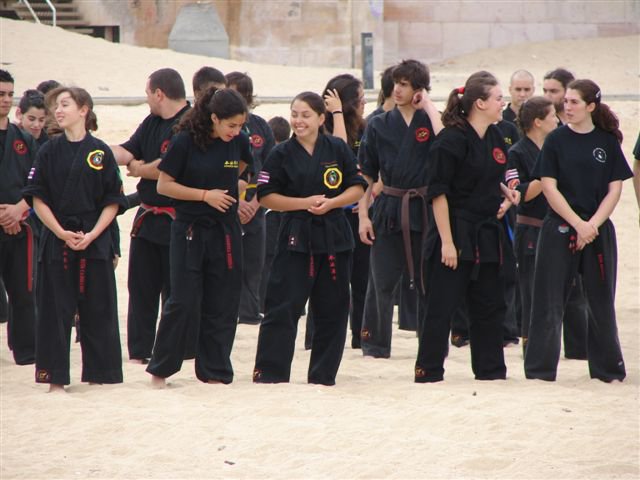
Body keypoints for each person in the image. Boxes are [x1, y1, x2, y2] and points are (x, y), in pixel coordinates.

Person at [252, 91, 367, 385]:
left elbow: (358, 187)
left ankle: (323, 374)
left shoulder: (337, 149)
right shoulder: (281, 153)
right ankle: (271, 373)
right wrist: (303, 203)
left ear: (320, 118)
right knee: (282, 306)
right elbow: (265, 196)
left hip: (334, 236)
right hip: (295, 236)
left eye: (305, 115)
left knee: (334, 308)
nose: (298, 121)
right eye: (294, 114)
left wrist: (332, 202)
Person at [415, 71, 520, 383]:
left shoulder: (497, 135)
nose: (504, 103)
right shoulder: (450, 140)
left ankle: (491, 371)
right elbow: (438, 193)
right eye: (499, 98)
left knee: (489, 304)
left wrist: (507, 194)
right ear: (480, 103)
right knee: (441, 306)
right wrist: (447, 242)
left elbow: (492, 175)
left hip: (489, 233)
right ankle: (429, 371)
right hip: (454, 230)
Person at [524, 80, 632, 382]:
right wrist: (577, 223)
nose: (567, 107)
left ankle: (607, 369)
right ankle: (540, 370)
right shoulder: (556, 140)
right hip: (560, 227)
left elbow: (614, 189)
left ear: (590, 106)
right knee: (548, 300)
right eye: (566, 102)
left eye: (573, 102)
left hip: (597, 230)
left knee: (600, 300)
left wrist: (592, 225)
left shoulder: (607, 142)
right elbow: (548, 186)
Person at [146, 87, 253, 388]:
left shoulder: (240, 142)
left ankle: (215, 371)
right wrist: (205, 195)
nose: (236, 131)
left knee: (223, 301)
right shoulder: (185, 141)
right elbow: (164, 186)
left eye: (240, 125)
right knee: (182, 300)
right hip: (190, 229)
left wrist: (238, 190)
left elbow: (245, 171)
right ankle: (161, 370)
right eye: (230, 125)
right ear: (214, 118)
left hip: (227, 230)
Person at [23, 86, 125, 391]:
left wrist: (94, 234)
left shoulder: (100, 151)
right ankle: (54, 378)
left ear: (84, 110)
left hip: (94, 240)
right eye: (57, 106)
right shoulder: (48, 151)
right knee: (55, 311)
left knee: (99, 309)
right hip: (57, 240)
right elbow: (36, 197)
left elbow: (113, 200)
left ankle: (101, 374)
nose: (58, 110)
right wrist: (60, 232)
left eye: (65, 104)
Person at [358, 59, 443, 358]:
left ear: (419, 89)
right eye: (396, 83)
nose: (397, 89)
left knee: (427, 280)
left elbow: (446, 143)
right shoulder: (379, 124)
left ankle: (432, 343)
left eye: (405, 84)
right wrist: (363, 216)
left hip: (424, 208)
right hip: (389, 206)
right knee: (381, 280)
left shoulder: (431, 121)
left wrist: (429, 106)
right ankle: (375, 344)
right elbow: (366, 175)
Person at [110, 68, 191, 363]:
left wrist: (141, 170)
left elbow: (169, 164)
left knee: (175, 291)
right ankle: (140, 352)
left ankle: (172, 351)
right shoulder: (152, 122)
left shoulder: (190, 123)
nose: (147, 99)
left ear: (159, 93)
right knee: (141, 288)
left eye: (147, 93)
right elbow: (128, 150)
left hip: (178, 219)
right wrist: (92, 151)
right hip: (148, 218)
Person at [225, 72, 275, 325]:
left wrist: (256, 203)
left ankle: (250, 313)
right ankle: (228, 311)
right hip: (226, 204)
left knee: (255, 264)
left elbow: (271, 168)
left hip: (258, 205)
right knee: (227, 264)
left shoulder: (260, 127)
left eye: (242, 95)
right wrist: (236, 203)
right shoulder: (219, 130)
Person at [0, 69, 37, 365]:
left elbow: (38, 184)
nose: (6, 100)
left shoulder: (23, 139)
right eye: (1, 94)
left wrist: (18, 210)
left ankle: (25, 351)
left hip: (19, 227)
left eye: (10, 94)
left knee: (24, 291)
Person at [258, 116, 290, 317]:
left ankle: (264, 302)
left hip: (273, 213)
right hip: (281, 212)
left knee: (269, 259)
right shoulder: (288, 153)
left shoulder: (273, 156)